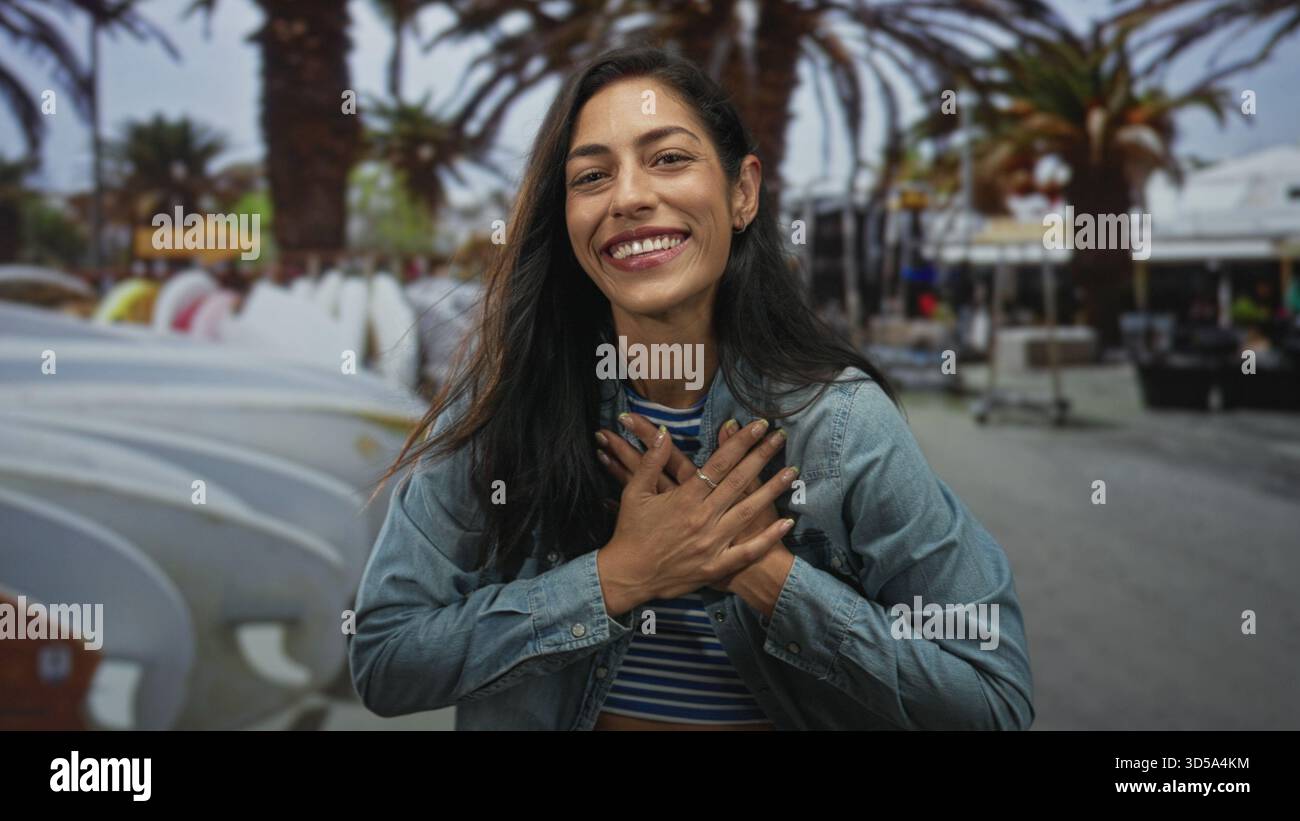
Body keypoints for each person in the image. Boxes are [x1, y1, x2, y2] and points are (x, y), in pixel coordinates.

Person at [348, 45, 1034, 730]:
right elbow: (384, 657)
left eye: (669, 158)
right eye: (591, 176)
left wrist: (765, 575)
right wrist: (619, 576)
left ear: (742, 193)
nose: (630, 196)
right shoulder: (501, 413)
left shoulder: (842, 425)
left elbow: (992, 699)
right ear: (567, 217)